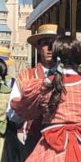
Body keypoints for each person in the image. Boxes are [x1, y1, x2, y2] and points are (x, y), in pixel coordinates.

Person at [10, 23, 59, 154]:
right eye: (45, 43)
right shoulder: (25, 77)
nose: (49, 48)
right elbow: (12, 114)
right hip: (34, 139)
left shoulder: (67, 76)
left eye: (53, 43)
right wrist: (28, 109)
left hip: (60, 141)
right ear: (38, 48)